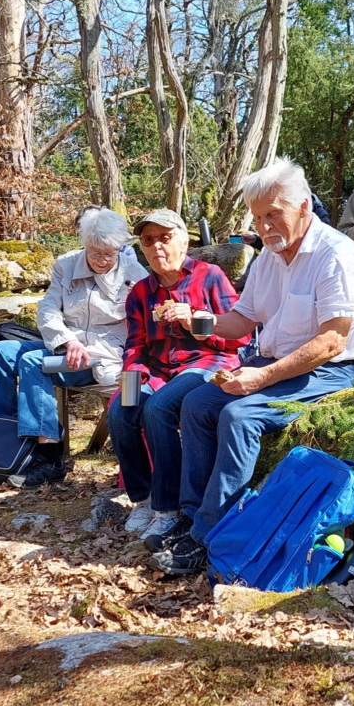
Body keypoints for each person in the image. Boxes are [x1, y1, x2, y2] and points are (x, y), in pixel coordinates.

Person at [147, 158, 354, 575]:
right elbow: (240, 321)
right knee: (197, 405)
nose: (265, 226)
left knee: (239, 416)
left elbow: (332, 342)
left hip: (330, 368)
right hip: (272, 360)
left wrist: (262, 377)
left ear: (303, 207)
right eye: (257, 217)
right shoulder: (268, 258)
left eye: (273, 214)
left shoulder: (336, 254)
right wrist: (196, 319)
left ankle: (208, 536)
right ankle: (192, 516)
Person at [107, 208, 248, 542]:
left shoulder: (210, 276)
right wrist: (133, 374)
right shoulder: (140, 292)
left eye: (164, 237)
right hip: (157, 369)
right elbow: (135, 344)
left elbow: (239, 337)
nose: (157, 246)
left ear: (183, 242)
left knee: (159, 408)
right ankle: (143, 499)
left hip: (208, 362)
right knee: (121, 410)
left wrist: (196, 318)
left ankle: (168, 508)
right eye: (148, 240)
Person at [0, 208, 147, 487]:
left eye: (110, 254)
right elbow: (48, 309)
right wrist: (68, 341)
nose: (103, 261)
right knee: (1, 352)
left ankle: (49, 457)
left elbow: (142, 327)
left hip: (106, 354)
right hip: (65, 344)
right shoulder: (66, 265)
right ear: (85, 245)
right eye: (95, 253)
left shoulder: (135, 274)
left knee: (33, 362)